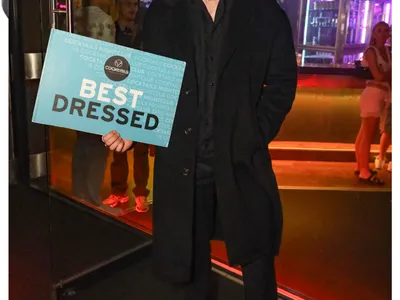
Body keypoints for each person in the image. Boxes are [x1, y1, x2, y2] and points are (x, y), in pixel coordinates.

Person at [103, 0, 297, 299]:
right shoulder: (163, 12)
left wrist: (252, 134)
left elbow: (282, 84)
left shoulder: (264, 12)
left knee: (257, 262)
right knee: (190, 272)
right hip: (184, 164)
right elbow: (148, 81)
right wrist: (133, 127)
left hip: (241, 161)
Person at [101, 0, 151, 212]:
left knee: (140, 150)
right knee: (117, 149)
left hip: (138, 95)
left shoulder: (145, 32)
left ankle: (140, 193)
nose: (132, 9)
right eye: (128, 4)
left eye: (135, 5)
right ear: (118, 6)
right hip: (116, 95)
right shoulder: (107, 30)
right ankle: (118, 191)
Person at [71, 0, 115, 206]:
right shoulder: (104, 21)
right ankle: (92, 197)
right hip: (99, 90)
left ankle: (79, 192)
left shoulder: (74, 18)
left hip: (79, 88)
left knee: (82, 144)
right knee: (98, 147)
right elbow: (110, 58)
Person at [354, 21, 391, 185]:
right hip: (372, 94)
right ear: (374, 34)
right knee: (367, 135)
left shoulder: (389, 52)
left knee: (364, 133)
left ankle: (360, 166)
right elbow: (378, 76)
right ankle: (364, 171)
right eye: (379, 30)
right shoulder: (371, 51)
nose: (383, 33)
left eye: (386, 30)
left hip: (382, 94)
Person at [375, 25, 392, 172]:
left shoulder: (389, 51)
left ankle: (382, 157)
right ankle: (382, 157)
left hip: (390, 94)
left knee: (388, 129)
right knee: (388, 129)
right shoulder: (387, 51)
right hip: (389, 95)